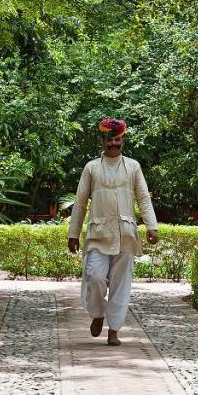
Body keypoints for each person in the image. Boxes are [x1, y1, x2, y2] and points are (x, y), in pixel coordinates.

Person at [67, 118, 159, 346]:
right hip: (98, 234)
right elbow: (80, 203)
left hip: (126, 235)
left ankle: (114, 330)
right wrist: (73, 233)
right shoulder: (91, 168)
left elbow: (144, 199)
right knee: (95, 276)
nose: (114, 144)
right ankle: (97, 315)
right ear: (103, 141)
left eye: (118, 140)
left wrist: (152, 226)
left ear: (122, 141)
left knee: (121, 283)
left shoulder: (133, 166)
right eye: (110, 140)